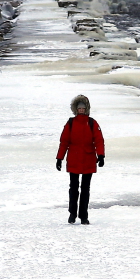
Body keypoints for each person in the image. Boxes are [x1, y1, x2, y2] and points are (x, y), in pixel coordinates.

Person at [56, 94, 105, 225]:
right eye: (79, 108)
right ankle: (72, 213)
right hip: (74, 159)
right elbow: (64, 142)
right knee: (73, 188)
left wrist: (101, 155)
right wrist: (59, 158)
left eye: (83, 108)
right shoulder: (70, 123)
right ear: (76, 109)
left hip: (88, 159)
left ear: (86, 109)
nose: (81, 110)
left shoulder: (92, 123)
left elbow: (99, 140)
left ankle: (84, 215)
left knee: (85, 189)